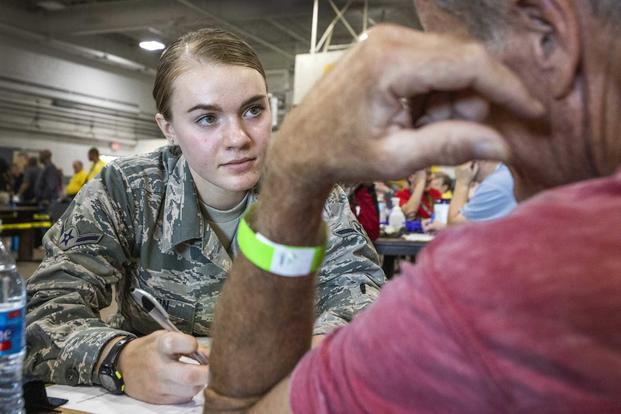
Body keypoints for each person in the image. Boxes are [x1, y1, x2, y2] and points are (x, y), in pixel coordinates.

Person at [203, 0, 621, 412]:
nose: (433, 108)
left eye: (453, 62)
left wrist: (293, 172)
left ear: (547, 35)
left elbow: (233, 406)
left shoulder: (490, 289)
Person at [24, 28, 384, 405]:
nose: (238, 138)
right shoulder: (128, 191)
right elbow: (45, 310)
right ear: (168, 128)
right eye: (207, 118)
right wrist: (119, 359)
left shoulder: (309, 189)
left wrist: (313, 349)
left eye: (253, 110)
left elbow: (365, 293)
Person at [423, 160, 516, 232]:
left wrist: (461, 182)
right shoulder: (505, 172)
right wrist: (444, 227)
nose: (459, 168)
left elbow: (455, 229)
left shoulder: (494, 184)